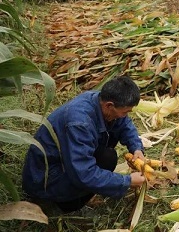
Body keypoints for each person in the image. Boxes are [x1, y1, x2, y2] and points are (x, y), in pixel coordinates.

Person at [22, 76, 146, 214]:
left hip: (65, 162)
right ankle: (56, 204)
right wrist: (126, 182)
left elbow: (125, 125)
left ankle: (71, 199)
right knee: (106, 159)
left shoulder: (99, 100)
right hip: (45, 178)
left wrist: (136, 148)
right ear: (109, 105)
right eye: (125, 112)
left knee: (107, 156)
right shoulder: (80, 123)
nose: (125, 116)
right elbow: (83, 173)